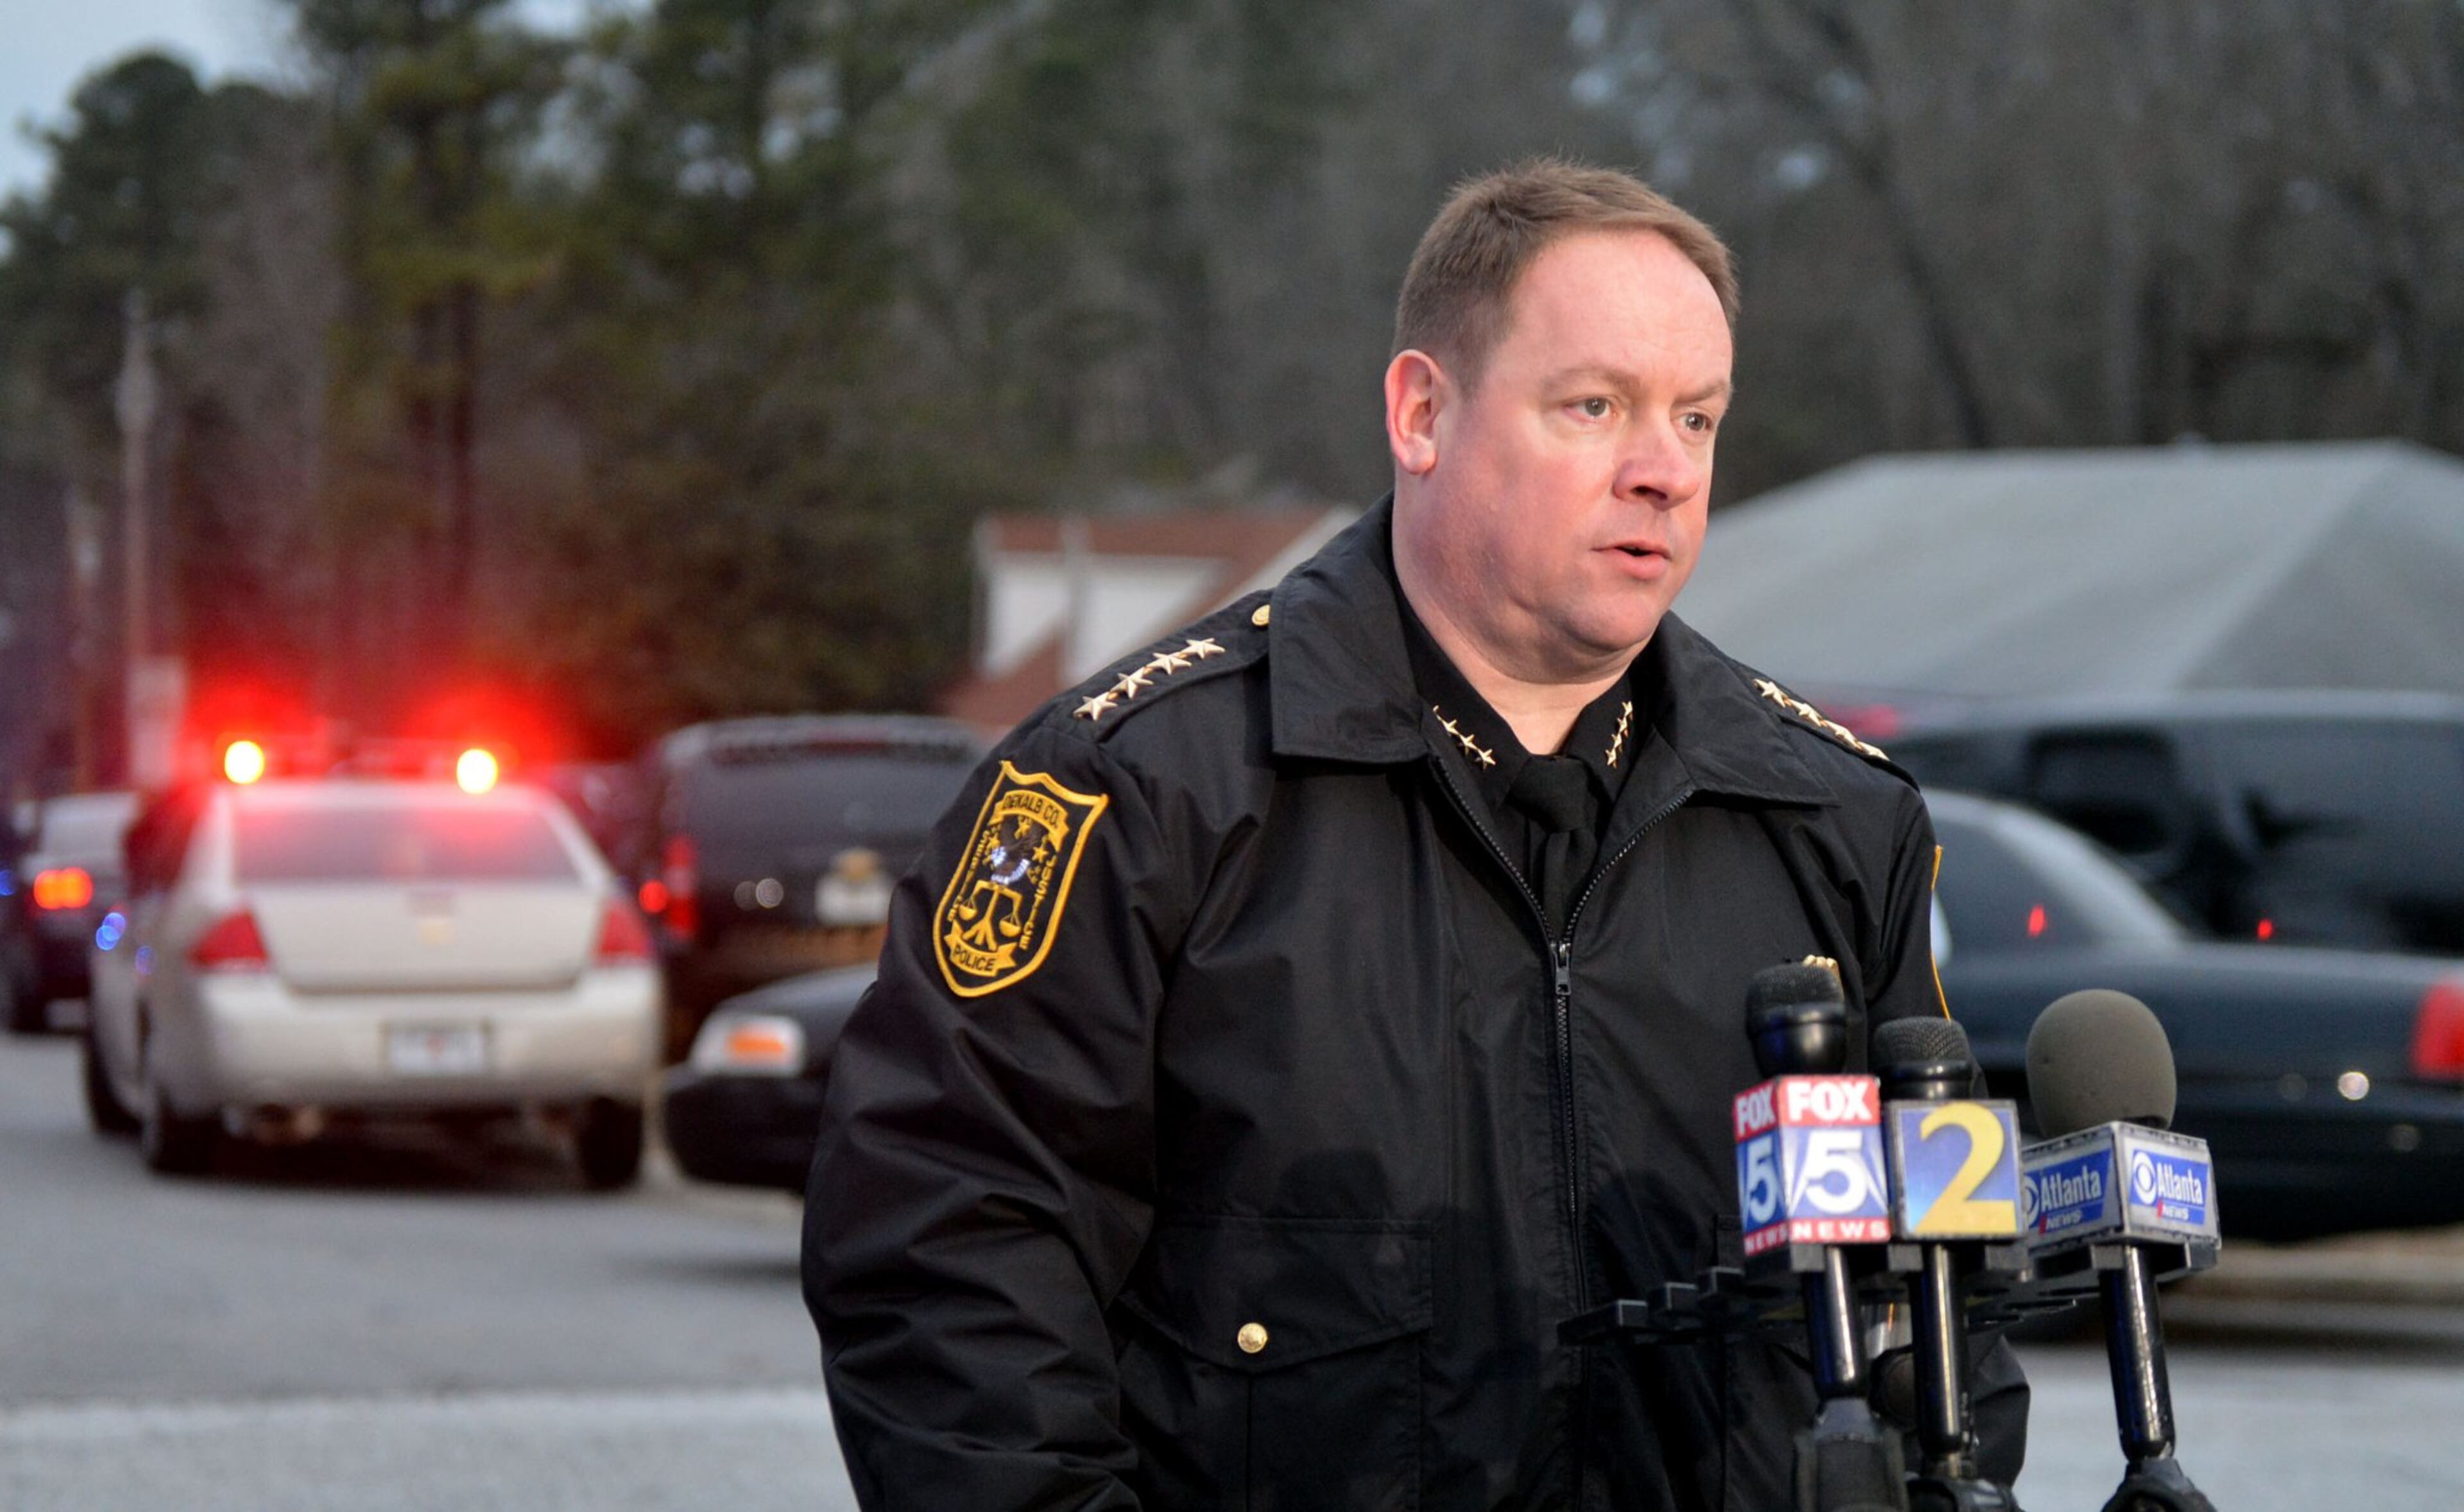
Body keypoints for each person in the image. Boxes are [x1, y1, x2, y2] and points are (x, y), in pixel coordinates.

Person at [803, 158, 2026, 1510]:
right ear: (1422, 413)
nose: (1663, 472)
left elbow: (1945, 1308)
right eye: (1595, 406)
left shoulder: (1835, 821)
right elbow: (946, 1260)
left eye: (1697, 417)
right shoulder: (1140, 791)